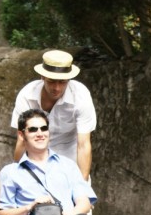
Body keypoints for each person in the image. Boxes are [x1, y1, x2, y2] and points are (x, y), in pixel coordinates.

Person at [11, 49, 96, 181]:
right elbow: (22, 140)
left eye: (62, 82)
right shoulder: (27, 95)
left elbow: (84, 144)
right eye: (51, 81)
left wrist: (83, 184)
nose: (56, 88)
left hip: (70, 158)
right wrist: (16, 173)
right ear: (42, 77)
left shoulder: (80, 96)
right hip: (35, 158)